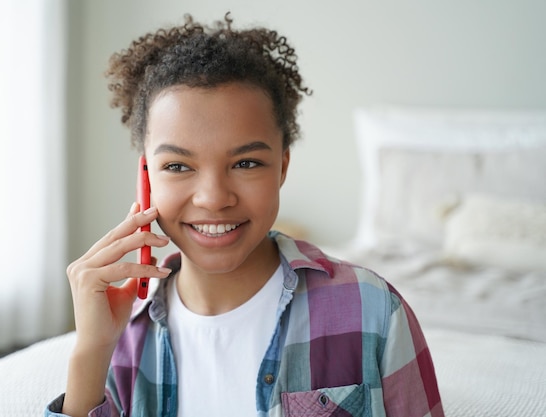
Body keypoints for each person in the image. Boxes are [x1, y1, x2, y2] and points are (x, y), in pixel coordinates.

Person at [45, 13, 444, 417]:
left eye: (246, 163)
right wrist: (89, 355)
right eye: (178, 166)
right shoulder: (121, 335)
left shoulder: (373, 309)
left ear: (283, 168)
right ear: (145, 177)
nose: (214, 198)